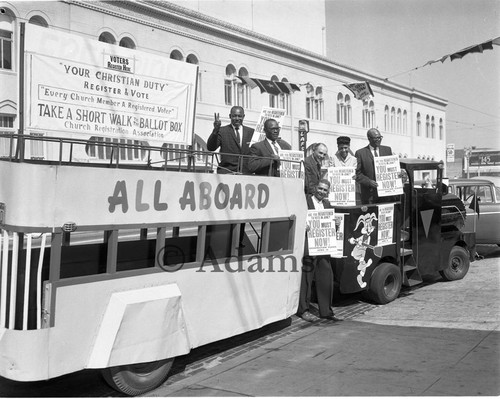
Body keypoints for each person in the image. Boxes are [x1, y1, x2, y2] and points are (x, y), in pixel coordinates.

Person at [298, 179, 342, 323]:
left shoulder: (328, 205)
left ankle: (326, 311)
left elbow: (329, 229)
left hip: (323, 247)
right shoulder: (305, 201)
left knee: (326, 277)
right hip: (309, 246)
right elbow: (297, 218)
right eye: (320, 188)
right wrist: (303, 225)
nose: (322, 192)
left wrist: (335, 225)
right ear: (315, 187)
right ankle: (303, 310)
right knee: (306, 279)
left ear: (327, 192)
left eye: (325, 190)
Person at [207, 106, 254, 174]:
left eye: (239, 116)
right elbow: (211, 147)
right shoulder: (222, 131)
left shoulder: (251, 132)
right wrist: (215, 131)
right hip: (227, 172)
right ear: (230, 116)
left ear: (243, 116)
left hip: (246, 173)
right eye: (234, 116)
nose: (237, 119)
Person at [355, 128, 393, 204]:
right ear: (369, 138)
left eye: (380, 137)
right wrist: (368, 182)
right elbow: (357, 174)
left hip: (386, 195)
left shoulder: (387, 150)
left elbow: (392, 168)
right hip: (369, 195)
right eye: (376, 138)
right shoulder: (360, 153)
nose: (379, 140)